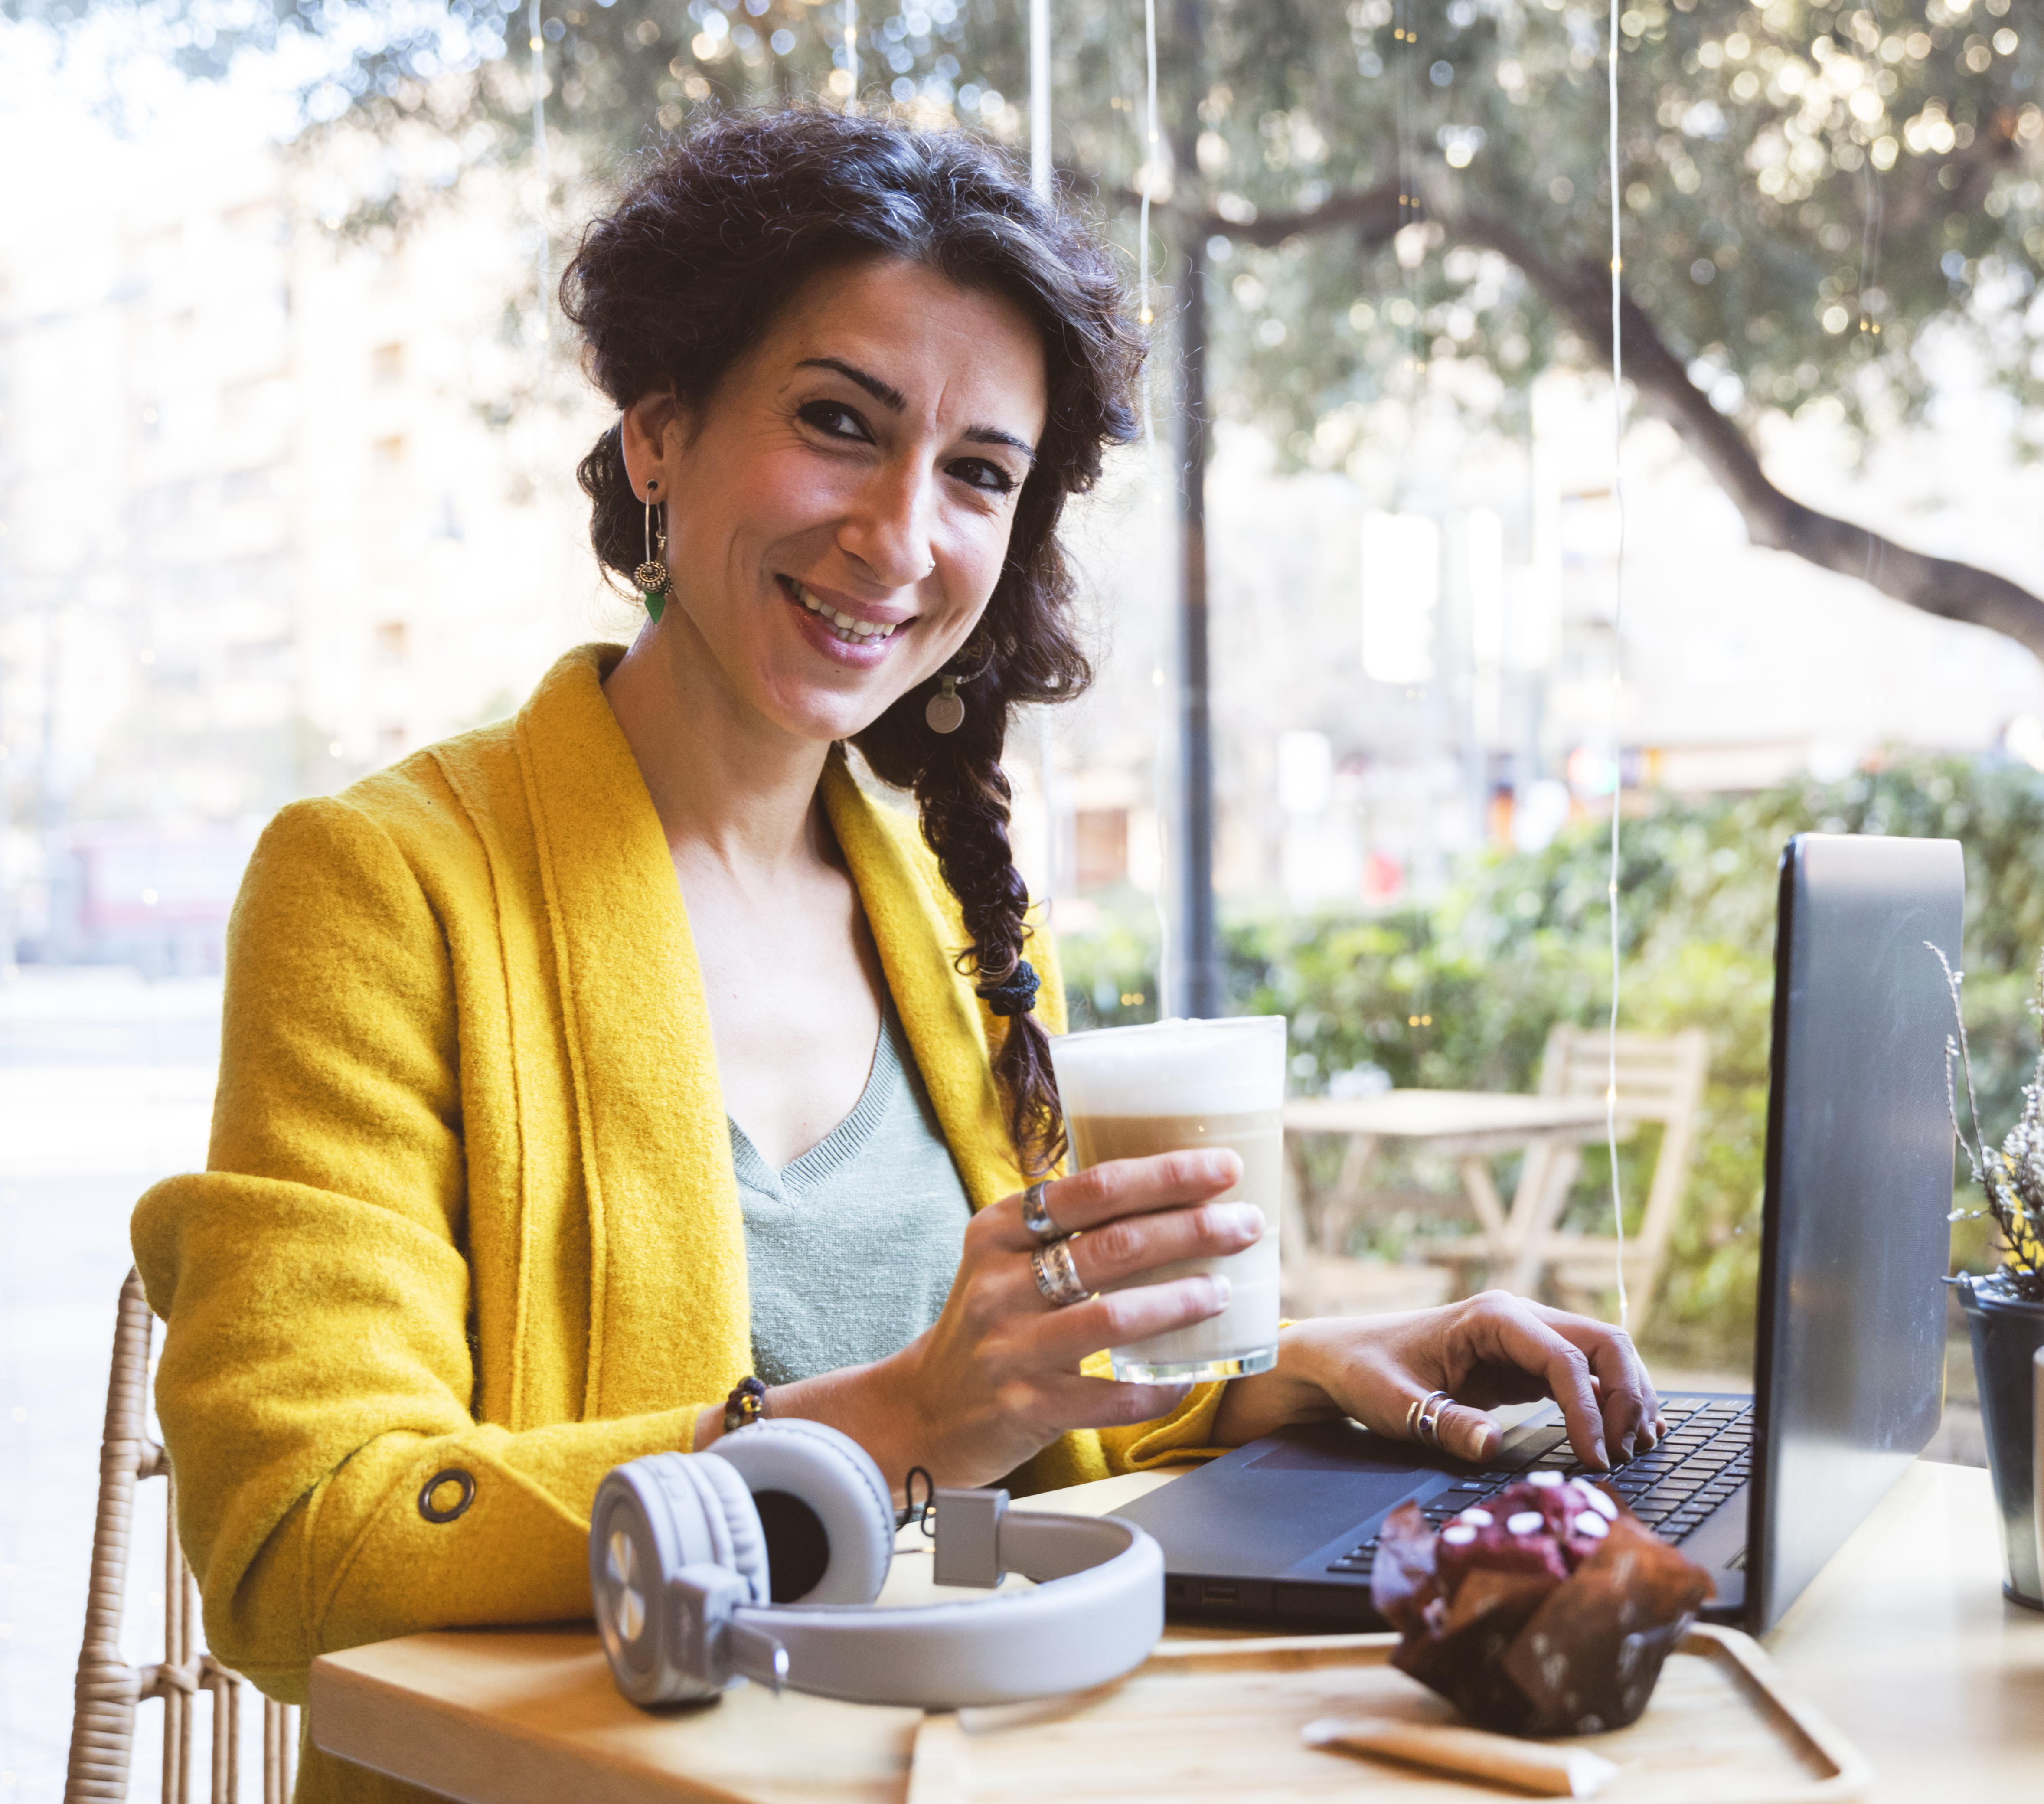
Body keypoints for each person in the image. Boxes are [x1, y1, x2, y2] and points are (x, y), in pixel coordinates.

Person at [131, 110, 1659, 1801]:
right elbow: (296, 1538)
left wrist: (1290, 1374)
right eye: (838, 425)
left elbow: (1024, 1418)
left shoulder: (951, 930)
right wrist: (894, 1427)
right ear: (658, 431)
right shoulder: (383, 886)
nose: (901, 534)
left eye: (979, 474)